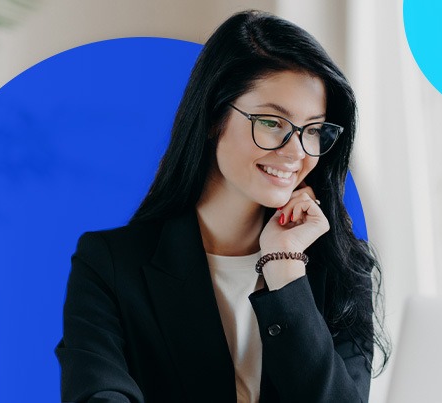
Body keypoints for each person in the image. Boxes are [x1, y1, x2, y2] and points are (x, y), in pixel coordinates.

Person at [55, 10, 388, 403]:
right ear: (214, 116)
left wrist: (285, 269)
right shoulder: (110, 264)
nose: (296, 152)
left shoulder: (342, 268)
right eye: (271, 122)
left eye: (313, 130)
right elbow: (99, 394)